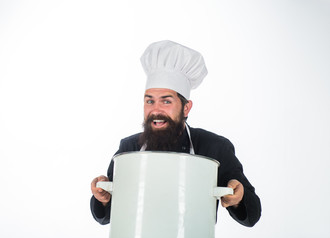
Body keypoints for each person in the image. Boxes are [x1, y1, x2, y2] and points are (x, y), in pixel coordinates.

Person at [90, 40, 261, 227]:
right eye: (149, 101)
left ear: (186, 107)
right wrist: (103, 198)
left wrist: (237, 198)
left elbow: (252, 215)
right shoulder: (129, 148)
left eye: (166, 101)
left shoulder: (214, 147)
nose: (155, 110)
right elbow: (105, 217)